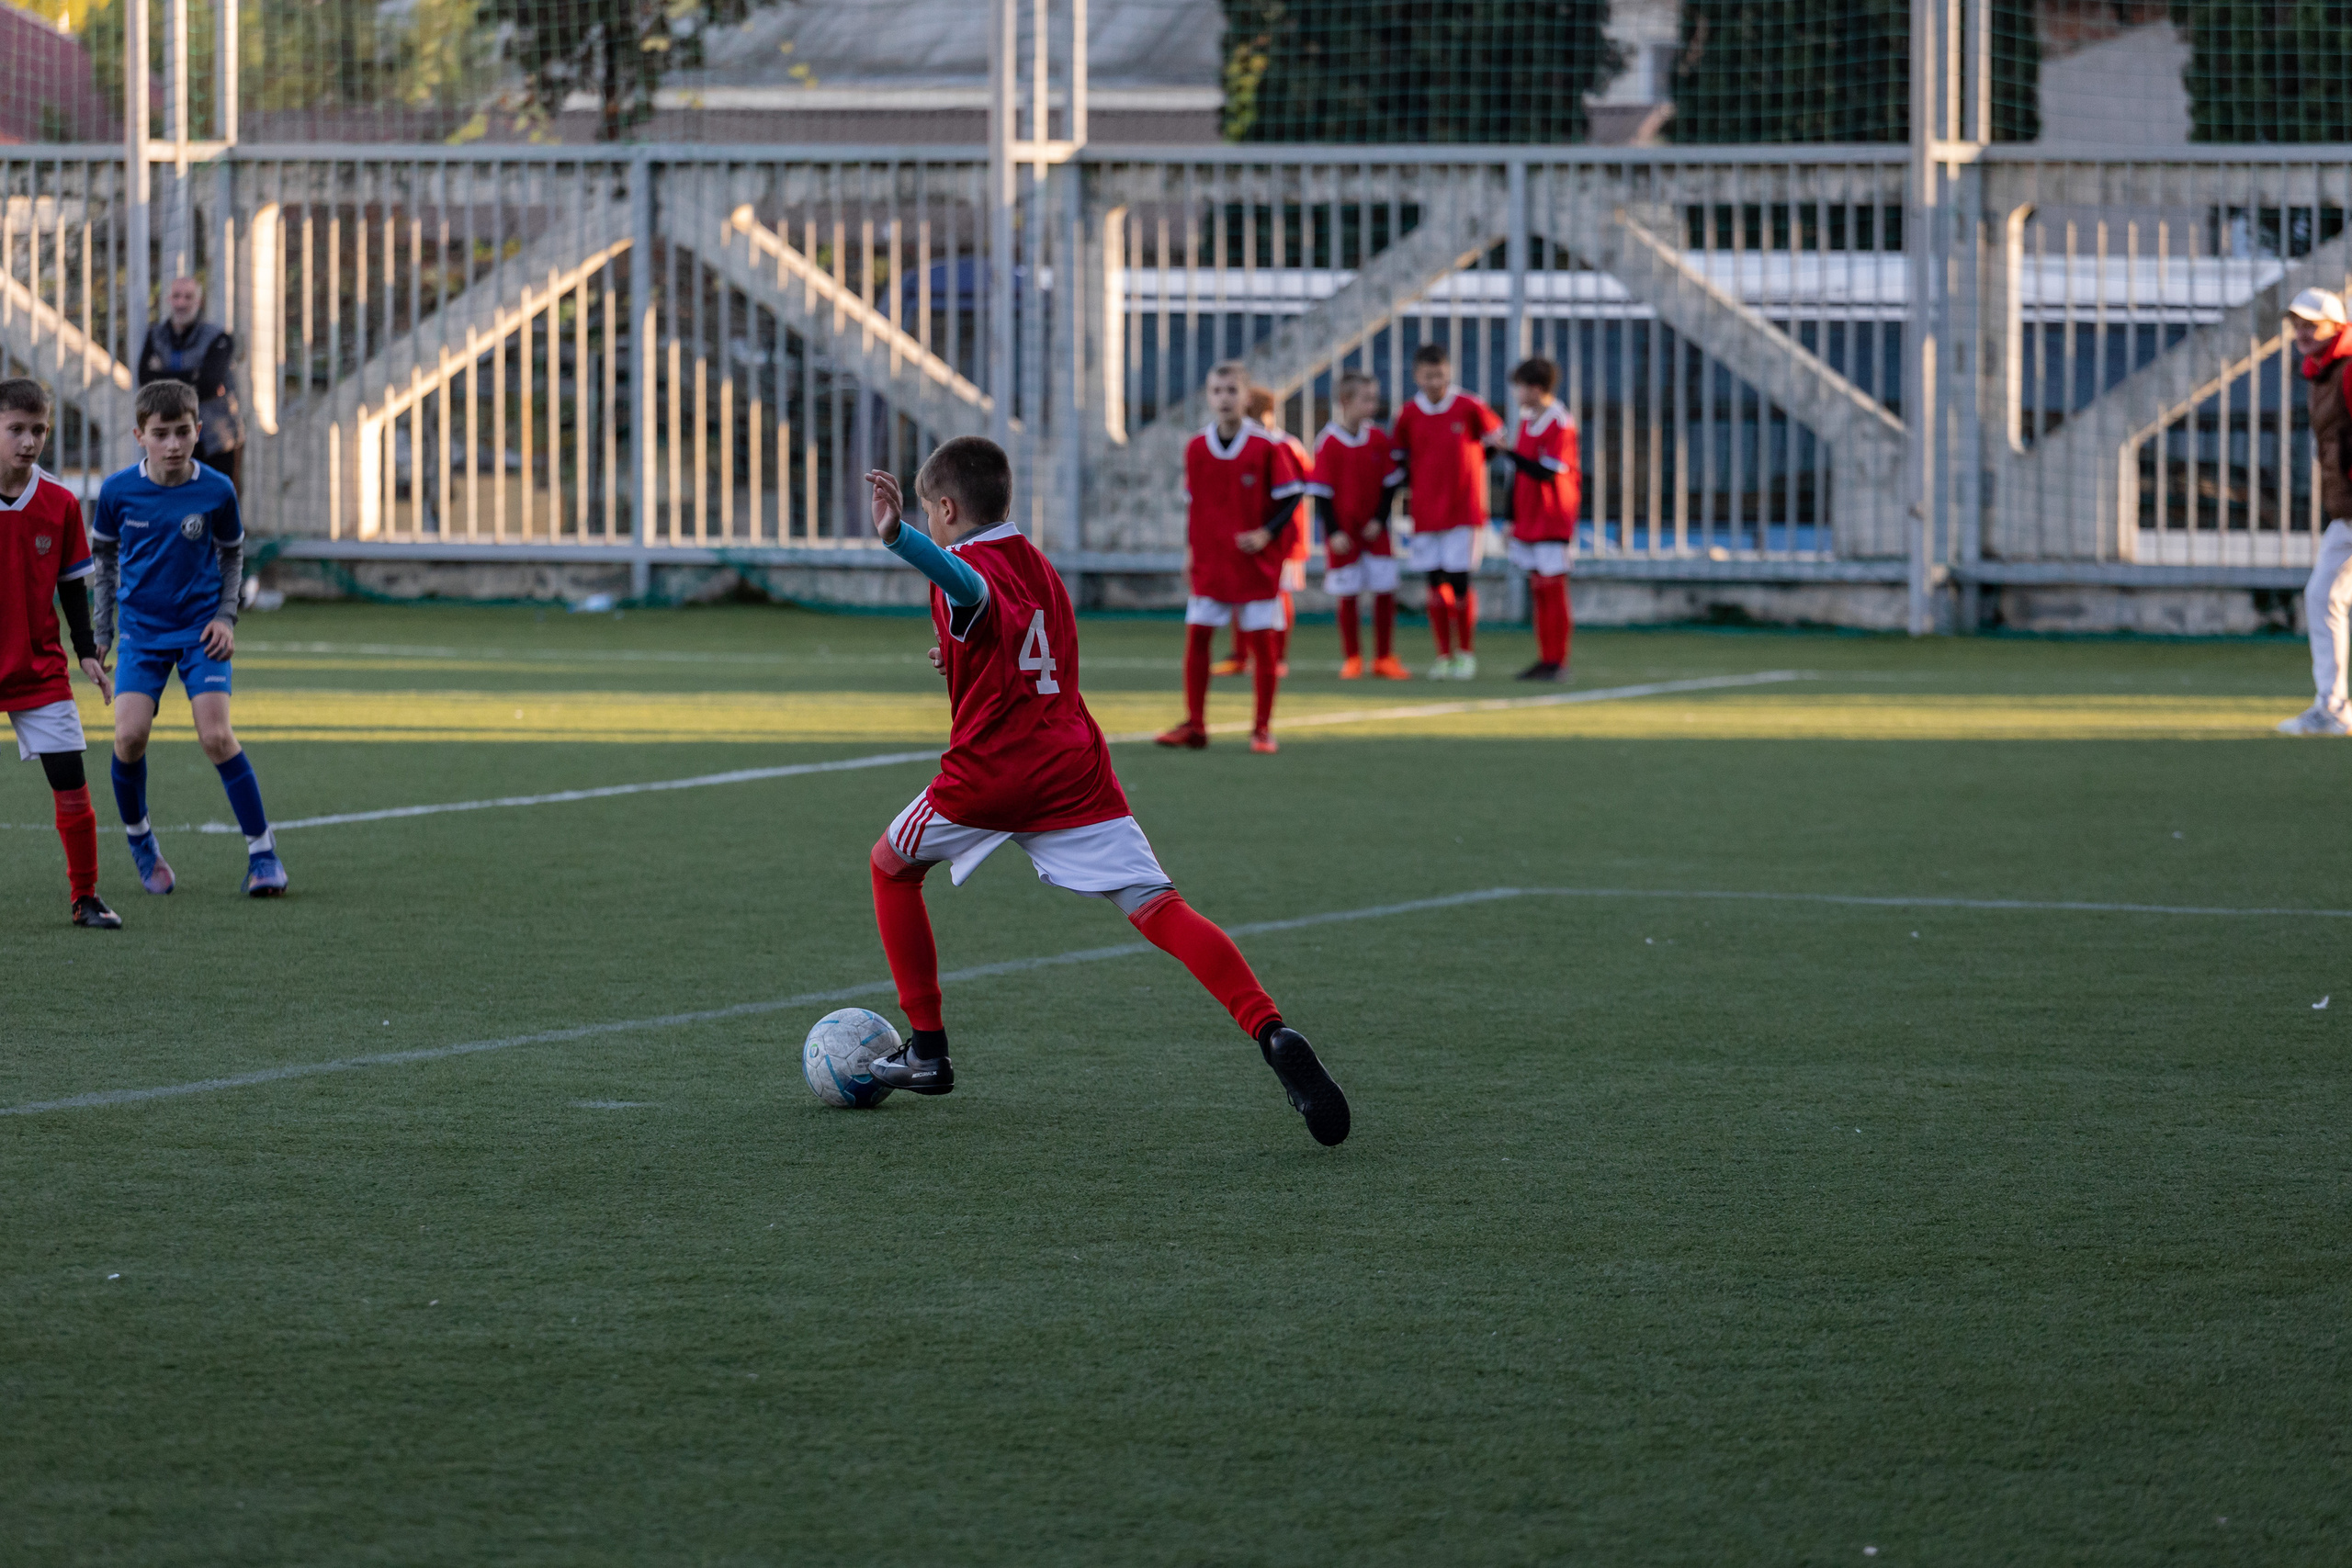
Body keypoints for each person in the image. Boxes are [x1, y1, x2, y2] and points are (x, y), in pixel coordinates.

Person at [855, 440, 1349, 1145]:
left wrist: (897, 539)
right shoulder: (1043, 568)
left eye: (928, 517)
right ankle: (1270, 1028)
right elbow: (1019, 641)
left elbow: (970, 592)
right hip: (1074, 769)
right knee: (1160, 906)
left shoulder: (963, 564)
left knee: (890, 866)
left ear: (945, 508)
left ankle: (927, 1049)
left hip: (993, 773)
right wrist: (956, 654)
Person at [94, 379, 286, 896]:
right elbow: (105, 565)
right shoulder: (116, 493)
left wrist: (226, 616)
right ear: (140, 435)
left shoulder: (217, 491)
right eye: (161, 434)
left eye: (183, 432)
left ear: (199, 431)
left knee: (216, 736)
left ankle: (263, 854)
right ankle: (141, 842)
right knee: (128, 737)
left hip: (201, 631)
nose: (174, 444)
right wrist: (102, 632)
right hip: (140, 633)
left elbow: (232, 557)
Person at [0, 378, 119, 928]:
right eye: (16, 429)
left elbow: (73, 584)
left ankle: (86, 896)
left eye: (38, 430)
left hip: (37, 665)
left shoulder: (60, 502)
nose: (28, 441)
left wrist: (85, 650)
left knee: (71, 779)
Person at [1157, 361, 1307, 755]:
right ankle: (1195, 724)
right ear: (1209, 397)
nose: (1224, 398)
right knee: (1199, 637)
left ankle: (1261, 729)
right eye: (1217, 391)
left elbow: (1292, 495)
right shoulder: (1195, 447)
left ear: (1246, 397)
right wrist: (1191, 553)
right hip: (1211, 560)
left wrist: (1265, 533)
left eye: (1231, 391)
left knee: (1262, 645)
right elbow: (1196, 507)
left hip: (1255, 564)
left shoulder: (1267, 446)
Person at [1389, 343, 1502, 679]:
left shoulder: (1469, 406)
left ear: (1448, 373)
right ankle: (1443, 655)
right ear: (1416, 376)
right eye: (1427, 375)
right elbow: (1399, 456)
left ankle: (1466, 654)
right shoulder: (1409, 413)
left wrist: (1473, 470)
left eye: (1439, 374)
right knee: (1434, 583)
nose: (1434, 381)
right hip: (1424, 512)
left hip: (1463, 511)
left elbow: (1498, 440)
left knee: (1459, 581)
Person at [1484, 357, 1582, 682]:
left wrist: (1506, 451)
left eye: (1520, 387)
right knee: (1539, 588)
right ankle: (1545, 658)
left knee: (1554, 588)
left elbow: (1544, 471)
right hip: (1529, 517)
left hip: (1552, 517)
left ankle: (1559, 660)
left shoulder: (1561, 423)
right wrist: (1511, 518)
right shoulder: (1528, 419)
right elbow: (1519, 474)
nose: (1516, 394)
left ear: (1535, 389)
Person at [2281, 288, 2352, 736]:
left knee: (2325, 595)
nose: (2303, 332)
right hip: (2346, 510)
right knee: (2323, 595)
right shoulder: (2323, 372)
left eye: (2313, 324)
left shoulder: (2346, 371)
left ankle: (2333, 706)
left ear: (2337, 327)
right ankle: (2332, 705)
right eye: (2298, 324)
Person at [1209, 387, 1314, 680]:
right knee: (1239, 591)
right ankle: (1241, 655)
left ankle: (1277, 656)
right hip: (1245, 538)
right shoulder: (1238, 443)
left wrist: (1272, 530)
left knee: (1277, 596)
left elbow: (1299, 490)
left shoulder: (1286, 445)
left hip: (1281, 538)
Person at [1311, 370, 1409, 680]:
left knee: (1384, 591)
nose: (1372, 406)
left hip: (1374, 531)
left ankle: (1384, 657)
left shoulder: (1379, 438)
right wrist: (1334, 531)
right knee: (1348, 594)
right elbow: (1321, 493)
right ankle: (1352, 658)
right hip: (1344, 533)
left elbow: (1390, 484)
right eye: (1366, 400)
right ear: (1345, 401)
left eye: (1374, 399)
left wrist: (1380, 520)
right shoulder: (1327, 442)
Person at [138, 276, 244, 492]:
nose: (181, 303)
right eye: (177, 296)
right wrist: (193, 376)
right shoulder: (156, 336)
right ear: (168, 299)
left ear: (199, 301)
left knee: (218, 505)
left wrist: (163, 377)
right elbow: (144, 379)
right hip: (170, 439)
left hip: (216, 439)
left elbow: (208, 383)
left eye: (188, 297)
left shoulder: (218, 338)